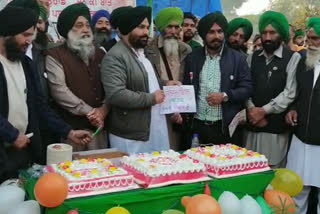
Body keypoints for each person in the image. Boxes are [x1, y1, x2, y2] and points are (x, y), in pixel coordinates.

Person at [0, 6, 92, 182]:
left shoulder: (25, 64)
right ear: (7, 32)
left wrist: (68, 132)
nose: (29, 41)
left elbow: (39, 105)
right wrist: (11, 135)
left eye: (32, 35)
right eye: (25, 35)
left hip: (22, 150)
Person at [101, 6, 173, 154]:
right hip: (131, 134)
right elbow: (116, 94)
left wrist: (165, 84)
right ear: (128, 28)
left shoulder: (142, 53)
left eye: (147, 27)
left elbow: (147, 82)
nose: (146, 32)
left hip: (153, 125)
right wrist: (151, 98)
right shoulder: (115, 56)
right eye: (141, 27)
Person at [182, 11, 252, 145]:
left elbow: (247, 89)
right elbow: (187, 87)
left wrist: (225, 96)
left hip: (224, 128)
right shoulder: (193, 58)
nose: (217, 36)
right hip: (197, 126)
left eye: (220, 31)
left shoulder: (238, 59)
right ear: (203, 35)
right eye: (211, 32)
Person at [46, 3, 108, 151]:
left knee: (103, 169)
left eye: (87, 25)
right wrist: (91, 112)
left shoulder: (100, 54)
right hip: (71, 133)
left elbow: (111, 86)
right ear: (68, 30)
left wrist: (104, 110)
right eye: (79, 25)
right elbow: (59, 91)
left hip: (100, 129)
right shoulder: (54, 56)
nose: (85, 29)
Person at [244, 11, 301, 168]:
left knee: (272, 173)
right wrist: (252, 110)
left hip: (275, 130)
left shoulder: (293, 58)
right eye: (264, 33)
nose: (267, 37)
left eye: (272, 32)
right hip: (251, 126)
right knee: (248, 170)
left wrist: (264, 111)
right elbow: (246, 86)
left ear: (281, 34)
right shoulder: (252, 57)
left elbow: (290, 92)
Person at [286, 17, 320, 214]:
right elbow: (295, 93)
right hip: (301, 139)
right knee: (297, 191)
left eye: (315, 39)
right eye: (309, 38)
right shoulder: (303, 61)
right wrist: (292, 108)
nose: (310, 43)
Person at [145, 7, 191, 150]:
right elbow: (146, 78)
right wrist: (165, 84)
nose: (173, 31)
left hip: (180, 110)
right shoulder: (148, 49)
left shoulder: (186, 50)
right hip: (156, 107)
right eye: (169, 26)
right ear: (161, 27)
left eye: (177, 27)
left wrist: (179, 107)